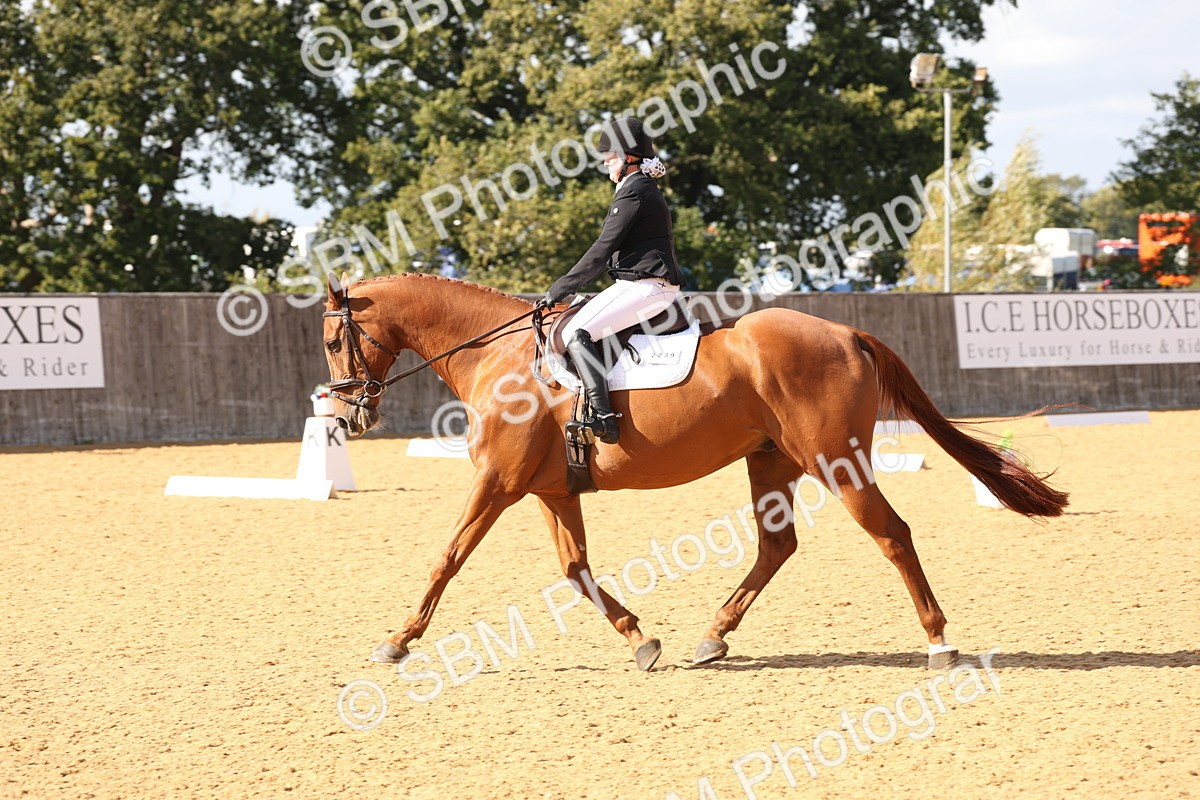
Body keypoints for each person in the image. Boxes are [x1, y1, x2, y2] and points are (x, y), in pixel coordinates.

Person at [540, 117, 685, 444]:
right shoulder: (638, 188)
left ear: (630, 157)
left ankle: (604, 419)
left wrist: (563, 286)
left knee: (578, 334)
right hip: (639, 284)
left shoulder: (635, 191)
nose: (606, 159)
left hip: (648, 286)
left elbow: (603, 248)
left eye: (612, 154)